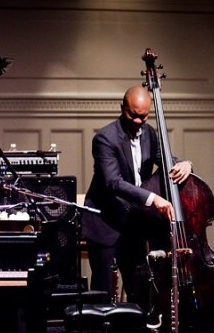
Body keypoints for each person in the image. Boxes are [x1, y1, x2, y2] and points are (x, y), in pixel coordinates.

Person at [82, 85, 193, 302]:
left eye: (143, 116)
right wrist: (153, 199)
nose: (138, 121)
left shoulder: (149, 134)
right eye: (132, 115)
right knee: (102, 295)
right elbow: (114, 182)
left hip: (133, 223)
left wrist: (185, 163)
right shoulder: (105, 138)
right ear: (122, 108)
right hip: (106, 223)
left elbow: (165, 160)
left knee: (139, 290)